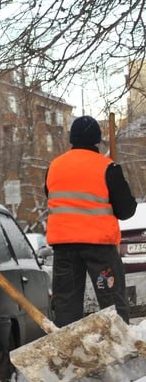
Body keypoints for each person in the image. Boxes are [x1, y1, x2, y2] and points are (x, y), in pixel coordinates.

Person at [44, 116, 137, 325]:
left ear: (71, 139)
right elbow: (126, 210)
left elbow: (52, 197)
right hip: (99, 249)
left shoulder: (54, 167)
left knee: (66, 304)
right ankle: (118, 346)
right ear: (97, 139)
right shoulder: (108, 168)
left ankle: (67, 351)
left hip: (64, 249)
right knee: (111, 300)